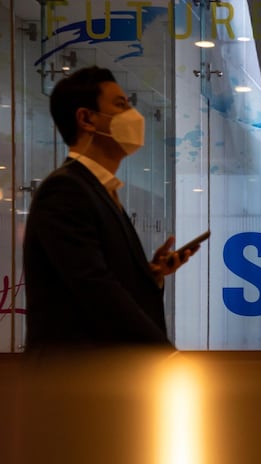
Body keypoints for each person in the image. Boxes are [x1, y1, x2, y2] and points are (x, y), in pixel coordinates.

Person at [23, 66, 196, 355]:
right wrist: (166, 356)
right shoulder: (66, 191)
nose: (133, 115)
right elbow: (95, 289)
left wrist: (149, 274)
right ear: (86, 118)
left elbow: (102, 278)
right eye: (120, 105)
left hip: (102, 378)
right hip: (76, 384)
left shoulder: (98, 189)